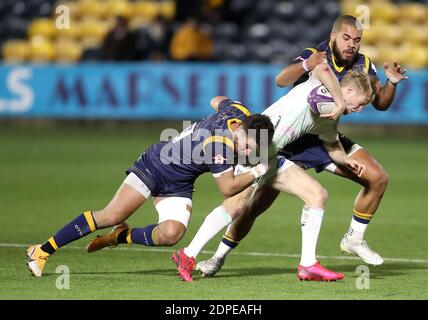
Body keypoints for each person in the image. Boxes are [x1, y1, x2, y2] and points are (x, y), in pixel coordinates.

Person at [196, 15, 408, 276]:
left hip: (326, 134)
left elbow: (381, 103)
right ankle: (218, 257)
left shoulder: (363, 64)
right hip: (293, 138)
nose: (352, 44)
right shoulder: (315, 55)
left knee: (377, 177)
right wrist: (307, 65)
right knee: (254, 205)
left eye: (357, 40)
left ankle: (354, 238)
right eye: (346, 38)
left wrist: (392, 83)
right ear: (333, 37)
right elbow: (281, 80)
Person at [26, 98, 274, 277]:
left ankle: (120, 236)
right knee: (112, 214)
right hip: (155, 165)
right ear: (240, 129)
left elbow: (216, 100)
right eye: (247, 145)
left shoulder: (239, 111)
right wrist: (256, 171)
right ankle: (43, 250)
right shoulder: (219, 145)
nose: (248, 151)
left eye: (254, 149)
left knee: (171, 234)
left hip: (180, 181)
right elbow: (228, 189)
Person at [173, 63, 374, 282]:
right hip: (254, 149)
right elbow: (323, 71)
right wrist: (339, 101)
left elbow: (332, 146)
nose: (360, 109)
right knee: (236, 205)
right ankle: (189, 254)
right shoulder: (324, 92)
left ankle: (308, 264)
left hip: (270, 155)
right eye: (361, 103)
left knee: (316, 195)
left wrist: (346, 160)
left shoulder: (330, 114)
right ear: (350, 91)